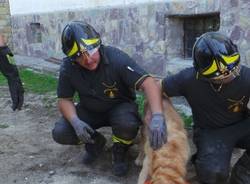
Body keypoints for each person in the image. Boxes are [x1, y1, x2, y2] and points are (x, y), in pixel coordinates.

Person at [52, 21, 167, 176]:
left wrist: (158, 116)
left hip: (120, 107)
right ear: (72, 58)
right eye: (79, 56)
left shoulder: (116, 58)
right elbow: (64, 99)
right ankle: (95, 143)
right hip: (90, 109)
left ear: (98, 44)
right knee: (61, 132)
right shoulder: (68, 67)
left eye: (91, 51)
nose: (88, 60)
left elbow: (148, 83)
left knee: (127, 124)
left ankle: (120, 150)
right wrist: (75, 121)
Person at [161, 32, 250, 184]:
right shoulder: (188, 79)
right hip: (210, 131)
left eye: (232, 71)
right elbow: (156, 87)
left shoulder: (246, 75)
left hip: (242, 126)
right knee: (212, 173)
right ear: (202, 73)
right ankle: (203, 160)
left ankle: (242, 175)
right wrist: (158, 114)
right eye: (220, 77)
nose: (229, 76)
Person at [0, 34, 24, 111]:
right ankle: (17, 105)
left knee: (14, 84)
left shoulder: (6, 50)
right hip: (11, 73)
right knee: (16, 84)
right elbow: (13, 63)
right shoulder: (7, 50)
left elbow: (12, 62)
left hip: (10, 73)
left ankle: (17, 105)